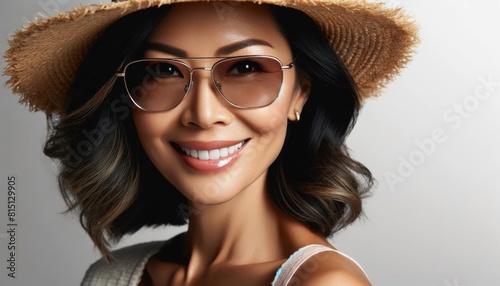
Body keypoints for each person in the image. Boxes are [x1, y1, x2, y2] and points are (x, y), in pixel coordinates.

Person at [4, 0, 418, 285]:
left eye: (245, 67)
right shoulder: (111, 276)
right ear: (125, 99)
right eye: (164, 69)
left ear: (300, 94)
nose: (202, 113)